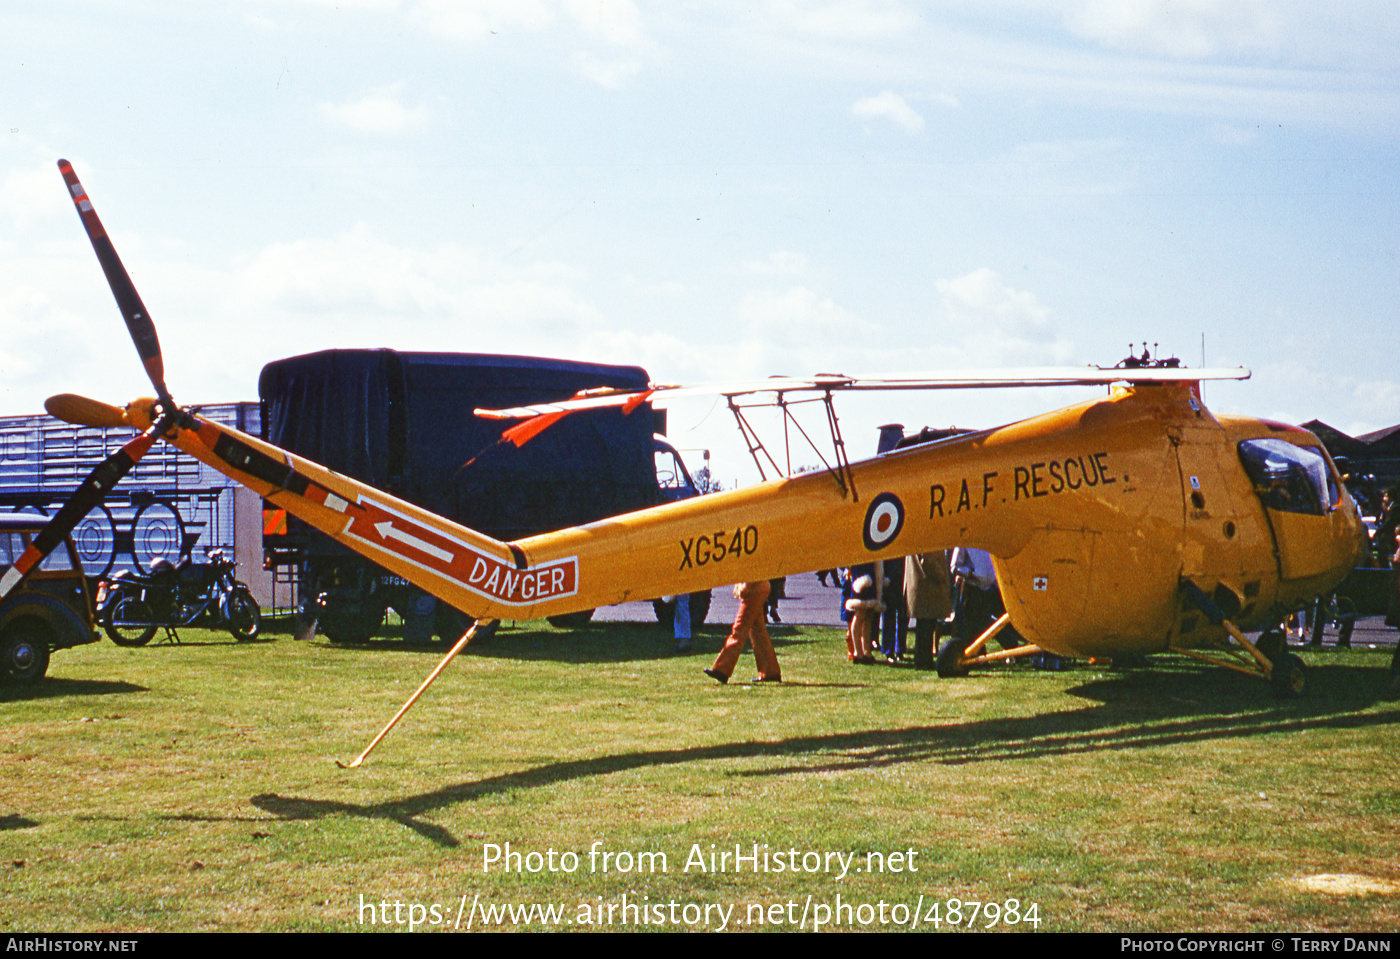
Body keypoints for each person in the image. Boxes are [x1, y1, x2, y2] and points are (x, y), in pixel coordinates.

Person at [704, 581, 781, 684]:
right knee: (758, 630)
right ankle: (770, 671)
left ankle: (722, 669)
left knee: (740, 628)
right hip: (758, 588)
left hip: (753, 589)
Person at [905, 551, 953, 670]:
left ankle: (922, 659)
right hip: (927, 587)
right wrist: (941, 575)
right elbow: (928, 561)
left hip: (923, 587)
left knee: (925, 626)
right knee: (926, 626)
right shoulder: (925, 536)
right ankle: (923, 661)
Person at [844, 570, 881, 665]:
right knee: (860, 612)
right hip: (860, 573)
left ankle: (866, 651)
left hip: (872, 571)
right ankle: (857, 651)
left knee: (869, 614)